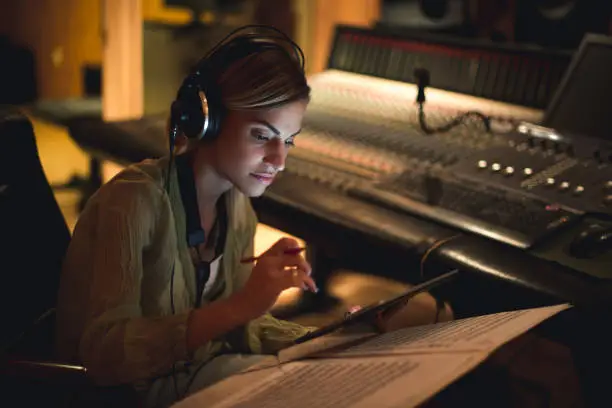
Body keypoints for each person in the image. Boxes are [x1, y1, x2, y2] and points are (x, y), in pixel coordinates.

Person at [53, 25, 417, 407]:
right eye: (262, 136)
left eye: (288, 140)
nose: (279, 160)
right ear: (205, 121)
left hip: (199, 376)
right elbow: (103, 355)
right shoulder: (132, 201)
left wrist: (338, 335)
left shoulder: (238, 209)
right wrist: (243, 303)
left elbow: (241, 329)